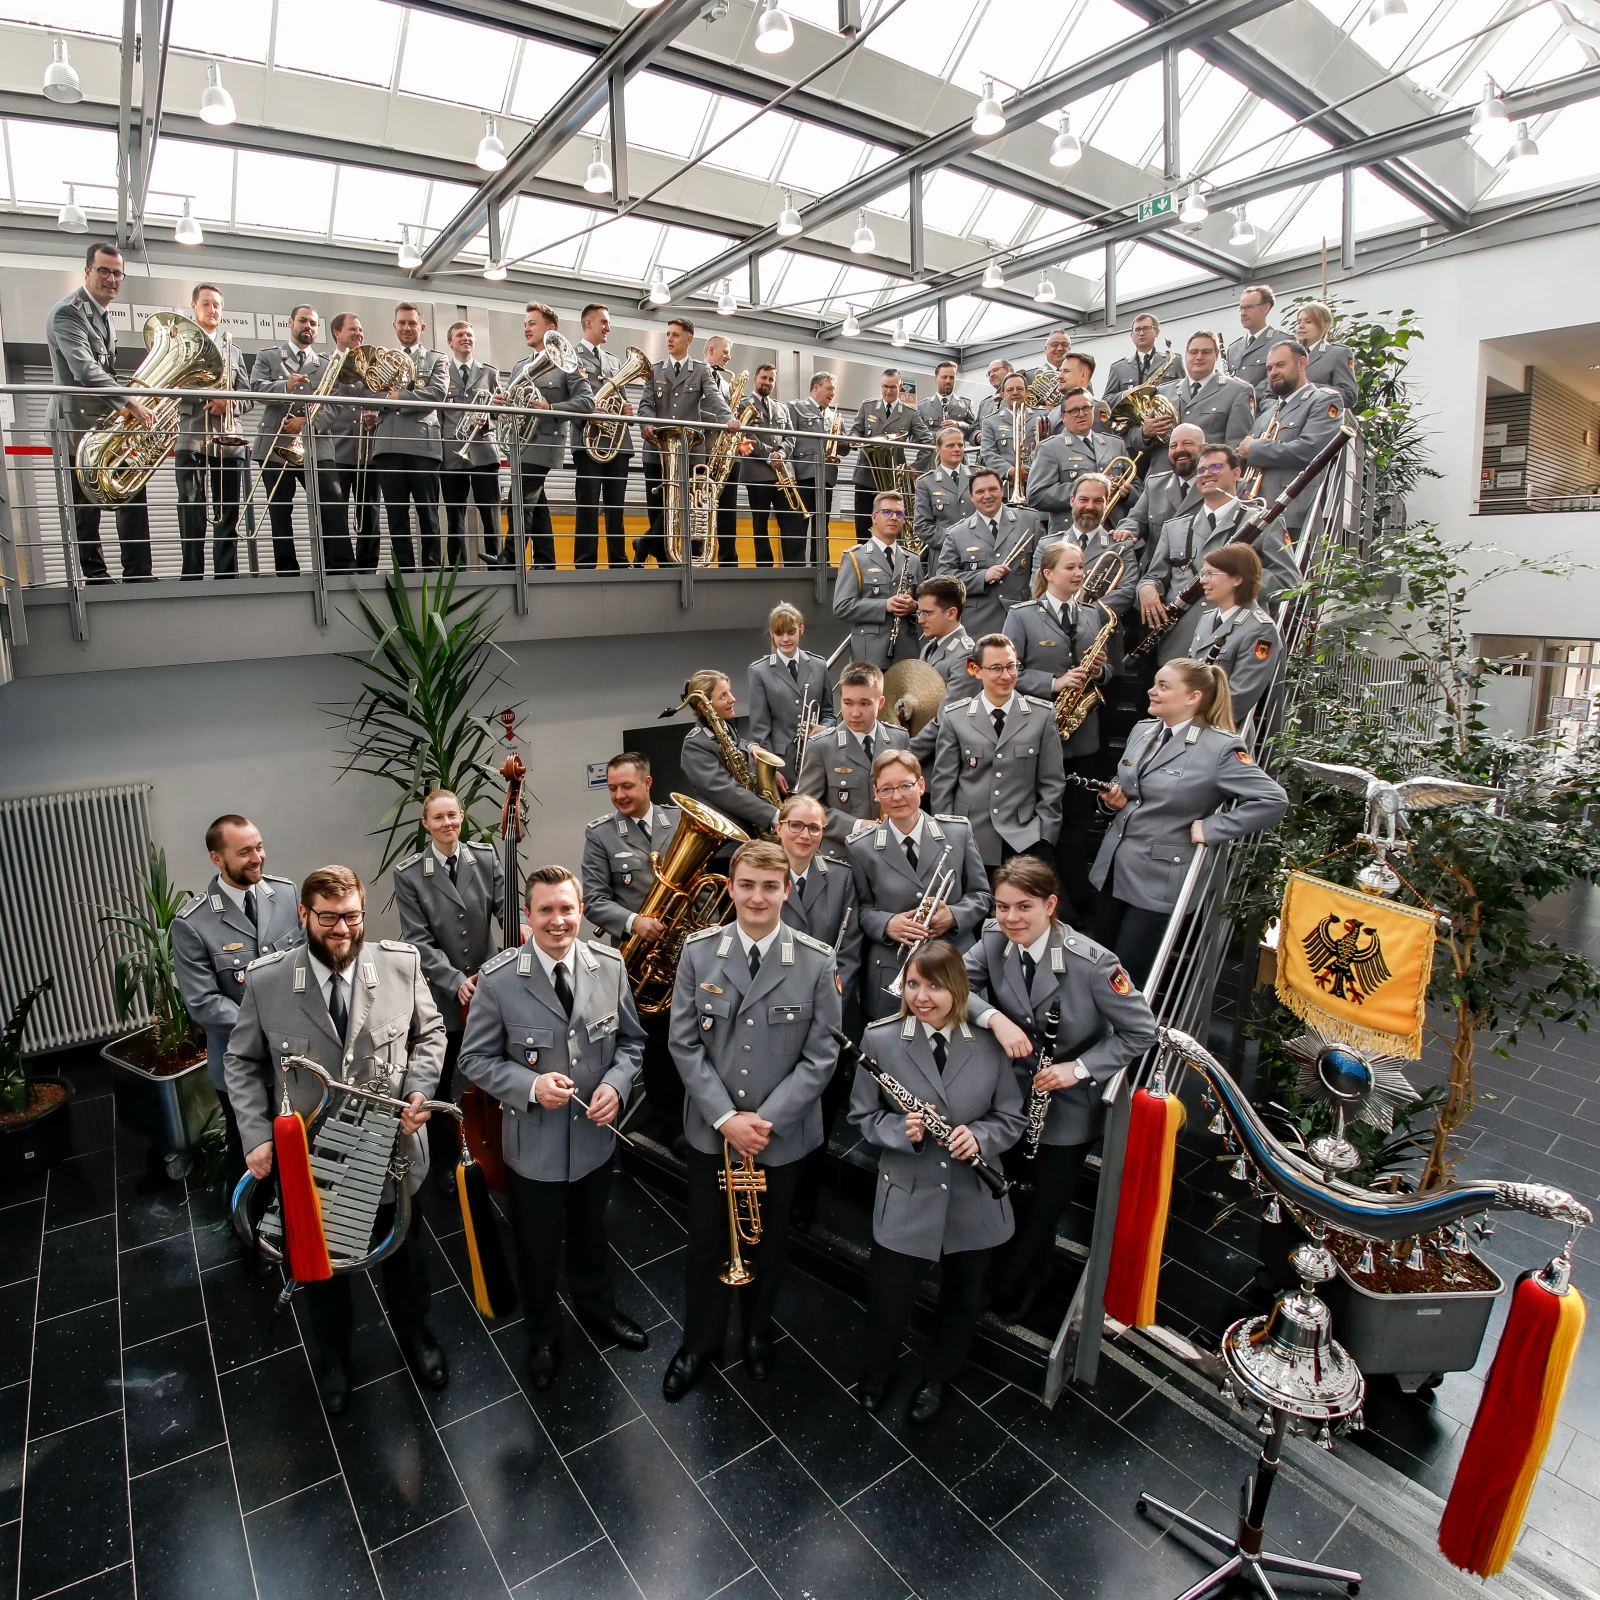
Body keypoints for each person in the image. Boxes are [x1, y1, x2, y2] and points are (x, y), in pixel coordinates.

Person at [223, 865, 447, 1414]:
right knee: (319, 1271)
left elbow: (431, 1034)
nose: (342, 929)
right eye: (328, 918)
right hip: (312, 1159)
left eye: (351, 916)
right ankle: (334, 1359)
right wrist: (255, 1135)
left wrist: (419, 1091)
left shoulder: (400, 964)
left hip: (390, 1152)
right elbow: (241, 1061)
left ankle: (416, 1337)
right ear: (304, 915)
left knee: (405, 1257)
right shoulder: (268, 981)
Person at [457, 865, 648, 1391]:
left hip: (593, 1140)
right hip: (534, 1146)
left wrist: (617, 1085)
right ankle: (542, 1334)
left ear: (581, 910)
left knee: (591, 1234)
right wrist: (530, 1085)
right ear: (528, 915)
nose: (557, 920)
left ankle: (598, 1310)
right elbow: (474, 1060)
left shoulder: (609, 965)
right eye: (546, 910)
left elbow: (631, 1043)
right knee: (536, 1248)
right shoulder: (499, 979)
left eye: (567, 909)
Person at [662, 840, 841, 1399]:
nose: (757, 897)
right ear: (731, 888)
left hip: (779, 1137)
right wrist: (726, 1119)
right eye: (746, 885)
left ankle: (759, 1333)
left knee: (769, 1243)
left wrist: (764, 1121)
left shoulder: (816, 960)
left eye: (769, 886)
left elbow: (822, 1056)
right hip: (712, 1133)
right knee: (706, 1242)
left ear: (787, 890)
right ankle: (699, 1343)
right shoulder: (699, 952)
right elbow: (683, 1044)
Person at [966, 858, 1156, 1320]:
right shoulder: (994, 938)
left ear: (1050, 905)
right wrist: (994, 1018)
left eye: (1024, 907)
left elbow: (1141, 1032)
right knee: (1007, 1194)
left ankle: (1009, 1287)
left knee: (1042, 1208)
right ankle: (1010, 1274)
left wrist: (1080, 1068)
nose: (1011, 918)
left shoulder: (1093, 963)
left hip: (1067, 1106)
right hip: (1011, 1097)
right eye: (1003, 906)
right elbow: (956, 984)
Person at [849, 940, 1024, 1421]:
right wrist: (899, 1130)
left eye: (934, 986)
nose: (921, 997)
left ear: (958, 989)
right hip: (908, 1192)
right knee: (889, 1300)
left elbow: (1011, 1116)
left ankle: (938, 1377)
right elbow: (862, 1115)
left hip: (973, 1194)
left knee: (962, 1300)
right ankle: (876, 1373)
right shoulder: (881, 1039)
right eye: (912, 984)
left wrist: (980, 1136)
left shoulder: (988, 1042)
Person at [1091, 659, 1289, 985]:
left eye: (1164, 686)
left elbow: (1273, 800)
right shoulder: (1143, 729)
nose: (1152, 691)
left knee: (1126, 980)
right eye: (1155, 683)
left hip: (1158, 881)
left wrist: (1212, 828)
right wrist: (1111, 799)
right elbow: (1126, 781)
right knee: (1096, 968)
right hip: (1113, 869)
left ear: (1193, 697)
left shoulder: (1220, 748)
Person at [171, 816, 302, 1196]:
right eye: (244, 852)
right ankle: (247, 1223)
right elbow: (203, 1003)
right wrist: (269, 1025)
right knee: (251, 1157)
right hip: (241, 1062)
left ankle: (295, 1217)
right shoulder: (193, 923)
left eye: (259, 847)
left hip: (295, 1057)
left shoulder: (286, 893)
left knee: (297, 1144)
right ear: (217, 858)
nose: (257, 857)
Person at [393, 789, 508, 1199]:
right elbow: (417, 940)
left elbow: (506, 911)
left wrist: (521, 928)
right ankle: (443, 1163)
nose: (447, 823)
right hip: (444, 995)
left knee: (499, 1065)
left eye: (453, 815)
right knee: (441, 1082)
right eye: (438, 818)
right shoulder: (409, 874)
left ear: (462, 816)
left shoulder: (486, 858)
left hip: (491, 987)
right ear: (426, 823)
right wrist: (454, 979)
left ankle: (501, 1148)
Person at [1005, 541, 1116, 916]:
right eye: (1071, 567)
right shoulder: (1021, 616)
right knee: (1040, 821)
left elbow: (1109, 672)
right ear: (1048, 573)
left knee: (1078, 821)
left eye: (1081, 566)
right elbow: (1009, 673)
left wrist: (1099, 670)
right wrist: (1054, 683)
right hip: (1038, 731)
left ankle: (1074, 897)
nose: (1080, 573)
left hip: (1082, 736)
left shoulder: (1093, 614)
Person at [848, 750, 990, 1020]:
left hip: (953, 960)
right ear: (876, 793)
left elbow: (982, 895)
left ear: (921, 785)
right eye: (887, 789)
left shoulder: (958, 832)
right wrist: (887, 924)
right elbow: (861, 908)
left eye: (905, 785)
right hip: (893, 965)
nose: (897, 796)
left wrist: (954, 916)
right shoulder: (861, 846)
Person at [581, 753, 682, 1130]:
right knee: (656, 1043)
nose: (619, 795)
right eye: (612, 788)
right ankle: (668, 1122)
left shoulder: (679, 820)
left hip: (686, 949)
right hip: (641, 960)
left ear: (647, 783)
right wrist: (633, 922)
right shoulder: (600, 833)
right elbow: (593, 900)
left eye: (627, 786)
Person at [776, 793, 862, 1232]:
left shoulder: (841, 877)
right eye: (796, 825)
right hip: (772, 1014)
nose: (805, 834)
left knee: (819, 1112)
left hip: (823, 1014)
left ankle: (802, 1203)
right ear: (779, 827)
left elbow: (848, 951)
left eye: (814, 828)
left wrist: (825, 1003)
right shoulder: (761, 873)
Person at [47, 241, 154, 583]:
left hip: (104, 423)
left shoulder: (106, 316)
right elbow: (84, 370)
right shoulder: (68, 312)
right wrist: (130, 402)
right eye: (104, 271)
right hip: (74, 422)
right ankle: (96, 577)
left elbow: (106, 370)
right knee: (85, 506)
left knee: (132, 488)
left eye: (117, 273)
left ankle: (139, 573)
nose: (111, 279)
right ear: (87, 272)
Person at [1139, 442, 1295, 661]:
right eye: (1201, 470)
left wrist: (1235, 582)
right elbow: (1154, 576)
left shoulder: (1263, 522)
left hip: (1235, 644)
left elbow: (1287, 581)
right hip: (1181, 643)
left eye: (1216, 467)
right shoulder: (1175, 527)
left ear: (1236, 473)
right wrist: (1146, 588)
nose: (1206, 474)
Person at [929, 634, 1065, 874]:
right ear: (976, 670)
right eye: (996, 668)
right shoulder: (955, 717)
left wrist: (1044, 834)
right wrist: (950, 838)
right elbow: (943, 787)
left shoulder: (1041, 715)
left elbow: (1052, 783)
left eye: (1011, 666)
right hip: (971, 839)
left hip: (1025, 838)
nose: (1006, 675)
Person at [634, 316, 735, 567]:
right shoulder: (655, 369)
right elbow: (645, 405)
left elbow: (714, 397)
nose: (669, 339)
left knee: (686, 507)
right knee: (658, 510)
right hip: (656, 451)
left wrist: (729, 419)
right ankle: (663, 566)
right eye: (668, 334)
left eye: (675, 335)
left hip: (690, 452)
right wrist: (646, 425)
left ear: (689, 339)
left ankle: (645, 544)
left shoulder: (701, 370)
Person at [500, 302, 594, 570]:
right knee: (536, 504)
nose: (526, 328)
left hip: (544, 442)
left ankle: (509, 557)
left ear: (551, 328)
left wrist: (550, 407)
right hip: (520, 444)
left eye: (532, 323)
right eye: (525, 324)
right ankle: (545, 561)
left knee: (519, 497)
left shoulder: (568, 364)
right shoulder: (520, 365)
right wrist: (500, 403)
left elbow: (586, 402)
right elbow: (513, 401)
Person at [795, 661, 910, 862]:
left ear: (881, 703)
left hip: (891, 853)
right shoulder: (822, 746)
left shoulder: (899, 738)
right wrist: (858, 826)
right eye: (848, 703)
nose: (855, 713)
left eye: (865, 703)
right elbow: (808, 808)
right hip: (842, 857)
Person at [175, 283, 251, 580]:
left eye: (217, 305)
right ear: (194, 306)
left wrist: (228, 403)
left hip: (228, 440)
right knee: (191, 508)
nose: (212, 309)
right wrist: (209, 396)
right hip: (192, 437)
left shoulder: (234, 350)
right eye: (206, 303)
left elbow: (247, 396)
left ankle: (227, 578)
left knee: (228, 511)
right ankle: (191, 577)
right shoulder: (180, 344)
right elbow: (171, 387)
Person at [365, 302, 449, 570]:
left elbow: (437, 393)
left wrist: (397, 397)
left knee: (428, 513)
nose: (407, 327)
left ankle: (432, 571)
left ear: (422, 327)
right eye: (401, 322)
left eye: (412, 323)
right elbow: (370, 393)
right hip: (388, 447)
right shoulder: (380, 361)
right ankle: (405, 572)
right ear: (394, 326)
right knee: (396, 517)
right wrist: (390, 399)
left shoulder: (437, 359)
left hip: (423, 446)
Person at [1238, 341, 1346, 547]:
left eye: (1280, 365)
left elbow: (1311, 450)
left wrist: (1254, 448)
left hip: (1292, 515)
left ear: (1301, 363)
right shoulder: (1266, 414)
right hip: (1255, 514)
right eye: (1269, 368)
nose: (1273, 372)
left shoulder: (1323, 400)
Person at [249, 301, 326, 576]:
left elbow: (332, 404)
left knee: (323, 507)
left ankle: (325, 567)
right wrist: (285, 386)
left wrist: (306, 422)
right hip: (275, 445)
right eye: (303, 320)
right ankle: (287, 571)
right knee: (280, 512)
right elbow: (255, 389)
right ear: (291, 322)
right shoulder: (268, 356)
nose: (308, 327)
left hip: (311, 446)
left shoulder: (325, 364)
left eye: (313, 323)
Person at [1125, 329, 1254, 477]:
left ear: (1217, 355)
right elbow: (1133, 441)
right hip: (1161, 479)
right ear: (1186, 354)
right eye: (1194, 352)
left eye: (1206, 352)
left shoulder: (1238, 391)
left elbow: (1236, 449)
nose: (1199, 357)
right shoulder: (1162, 391)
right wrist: (1145, 433)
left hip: (1206, 477)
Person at [934, 465, 1039, 640]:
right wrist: (982, 577)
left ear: (1002, 490)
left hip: (1023, 618)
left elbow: (1041, 569)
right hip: (980, 623)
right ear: (971, 496)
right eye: (980, 491)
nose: (987, 496)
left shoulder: (1029, 520)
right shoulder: (956, 533)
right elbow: (944, 579)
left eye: (992, 489)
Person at [676, 668, 780, 839]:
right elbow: (727, 792)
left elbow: (738, 744)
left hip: (748, 825)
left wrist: (752, 747)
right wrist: (773, 815)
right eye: (723, 696)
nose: (732, 699)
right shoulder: (694, 745)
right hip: (728, 837)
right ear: (704, 706)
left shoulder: (725, 727)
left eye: (729, 692)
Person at [570, 302, 635, 570]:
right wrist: (586, 413)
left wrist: (627, 410)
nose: (608, 327)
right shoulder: (571, 356)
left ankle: (618, 562)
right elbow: (567, 399)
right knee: (587, 504)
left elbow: (620, 397)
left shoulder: (614, 360)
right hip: (587, 441)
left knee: (616, 506)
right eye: (604, 322)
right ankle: (585, 564)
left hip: (617, 443)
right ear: (589, 323)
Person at [317, 312, 382, 573]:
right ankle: (335, 569)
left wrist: (377, 415)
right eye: (353, 329)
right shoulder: (324, 363)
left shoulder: (373, 365)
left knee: (370, 513)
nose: (359, 334)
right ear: (337, 333)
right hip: (337, 452)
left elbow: (383, 400)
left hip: (367, 452)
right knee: (335, 514)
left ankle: (367, 569)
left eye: (360, 330)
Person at [1191, 545, 1284, 726]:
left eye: (1211, 574)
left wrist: (1194, 720)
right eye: (1203, 573)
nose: (1203, 580)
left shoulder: (1260, 629)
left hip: (1219, 728)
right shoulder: (1208, 618)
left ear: (1237, 579)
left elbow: (1241, 694)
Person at [832, 491, 923, 669]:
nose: (894, 518)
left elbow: (925, 604)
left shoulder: (912, 559)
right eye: (887, 512)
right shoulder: (855, 558)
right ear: (874, 517)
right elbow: (842, 606)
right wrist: (884, 605)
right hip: (870, 654)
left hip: (906, 653)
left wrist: (914, 606)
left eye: (899, 514)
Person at [1031, 475, 1140, 620]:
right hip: (1053, 625)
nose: (1090, 506)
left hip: (1100, 627)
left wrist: (1083, 617)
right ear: (1072, 500)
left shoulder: (1121, 546)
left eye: (1098, 501)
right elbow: (1038, 590)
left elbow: (1126, 592)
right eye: (1083, 499)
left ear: (1107, 503)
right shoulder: (1047, 544)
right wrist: (1063, 617)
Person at [439, 321, 503, 567]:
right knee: (455, 516)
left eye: (469, 335)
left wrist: (489, 419)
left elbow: (500, 411)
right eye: (460, 335)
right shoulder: (442, 372)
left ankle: (497, 564)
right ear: (450, 342)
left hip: (483, 448)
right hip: (452, 451)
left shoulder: (490, 373)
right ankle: (458, 568)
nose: (465, 338)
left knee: (491, 514)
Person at [747, 602, 830, 783]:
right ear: (772, 633)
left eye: (791, 632)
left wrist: (825, 729)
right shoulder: (759, 671)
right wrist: (770, 770)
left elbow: (829, 714)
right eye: (779, 633)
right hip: (780, 765)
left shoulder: (819, 665)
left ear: (801, 630)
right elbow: (761, 730)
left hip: (817, 760)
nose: (785, 639)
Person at [848, 369, 932, 541]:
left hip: (893, 481)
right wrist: (855, 440)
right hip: (865, 476)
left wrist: (916, 467)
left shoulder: (910, 413)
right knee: (863, 525)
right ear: (881, 385)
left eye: (893, 387)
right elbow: (855, 431)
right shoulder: (867, 406)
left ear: (900, 386)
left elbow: (928, 442)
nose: (888, 391)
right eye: (885, 386)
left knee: (892, 525)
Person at [1026, 388, 1124, 529]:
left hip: (1113, 529)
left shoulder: (1116, 443)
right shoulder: (1049, 447)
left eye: (1086, 408)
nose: (1081, 414)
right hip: (1071, 531)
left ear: (1093, 410)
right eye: (1074, 411)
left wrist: (1127, 493)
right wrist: (1084, 490)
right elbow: (1036, 495)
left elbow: (1138, 489)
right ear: (1063, 416)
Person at [740, 364, 803, 566]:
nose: (767, 382)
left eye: (771, 379)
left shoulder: (782, 407)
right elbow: (747, 435)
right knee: (760, 524)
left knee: (792, 521)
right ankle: (765, 568)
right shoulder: (743, 405)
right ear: (755, 379)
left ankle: (795, 567)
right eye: (763, 378)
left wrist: (781, 454)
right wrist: (770, 456)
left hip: (783, 473)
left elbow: (791, 436)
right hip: (757, 474)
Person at [1115, 421, 1205, 553]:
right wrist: (1126, 530)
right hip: (1156, 564)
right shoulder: (1155, 484)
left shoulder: (1215, 485)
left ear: (1204, 448)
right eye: (1173, 446)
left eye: (1187, 443)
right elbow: (1135, 519)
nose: (1179, 450)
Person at [788, 372, 841, 571]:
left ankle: (821, 563)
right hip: (803, 474)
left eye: (834, 390)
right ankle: (797, 566)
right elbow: (789, 440)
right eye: (829, 389)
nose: (832, 394)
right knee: (799, 523)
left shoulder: (835, 415)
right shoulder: (796, 407)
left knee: (822, 524)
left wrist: (846, 441)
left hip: (826, 476)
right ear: (816, 388)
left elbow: (843, 449)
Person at [703, 334, 743, 566]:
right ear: (711, 350)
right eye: (725, 352)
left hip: (726, 454)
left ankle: (728, 560)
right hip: (702, 452)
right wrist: (717, 420)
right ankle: (700, 556)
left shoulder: (727, 385)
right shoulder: (695, 374)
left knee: (728, 509)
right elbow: (689, 410)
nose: (729, 357)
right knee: (701, 508)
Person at [978, 372, 1049, 494]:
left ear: (1027, 392)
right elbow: (988, 452)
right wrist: (1011, 471)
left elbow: (1049, 448)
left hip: (1039, 482)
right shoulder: (990, 421)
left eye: (1019, 389)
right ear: (1003, 395)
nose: (1015, 393)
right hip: (1008, 485)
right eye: (1010, 390)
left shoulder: (1043, 416)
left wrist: (1029, 469)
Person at [1227, 283, 1293, 403]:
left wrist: (1245, 397)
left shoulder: (1283, 341)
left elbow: (1277, 380)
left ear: (1266, 308)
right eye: (1241, 308)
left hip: (1265, 408)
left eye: (1249, 307)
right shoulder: (1233, 348)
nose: (1243, 313)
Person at [912, 427, 975, 550]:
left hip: (977, 551)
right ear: (938, 450)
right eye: (950, 445)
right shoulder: (926, 482)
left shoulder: (977, 476)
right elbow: (923, 526)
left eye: (960, 445)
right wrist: (955, 541)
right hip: (944, 552)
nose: (957, 449)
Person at [1295, 301, 1359, 409]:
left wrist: (1308, 387)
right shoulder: (1289, 356)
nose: (1301, 326)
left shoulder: (1337, 353)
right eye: (1298, 322)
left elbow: (1349, 396)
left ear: (1326, 325)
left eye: (1308, 321)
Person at [1103, 313, 1166, 406]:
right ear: (1132, 336)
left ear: (1156, 332)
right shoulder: (1118, 368)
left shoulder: (1173, 361)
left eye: (1146, 328)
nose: (1141, 333)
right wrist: (1126, 394)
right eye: (1137, 330)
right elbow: (1105, 402)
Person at [916, 361, 977, 442]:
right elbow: (916, 435)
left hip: (957, 449)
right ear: (936, 379)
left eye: (952, 377)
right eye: (944, 377)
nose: (948, 381)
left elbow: (975, 430)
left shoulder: (966, 404)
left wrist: (958, 425)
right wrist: (936, 435)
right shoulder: (922, 407)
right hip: (933, 449)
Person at [975, 358, 1014, 430]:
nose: (991, 375)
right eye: (989, 373)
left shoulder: (1020, 397)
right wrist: (978, 434)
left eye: (995, 370)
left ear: (1008, 370)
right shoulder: (984, 404)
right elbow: (974, 429)